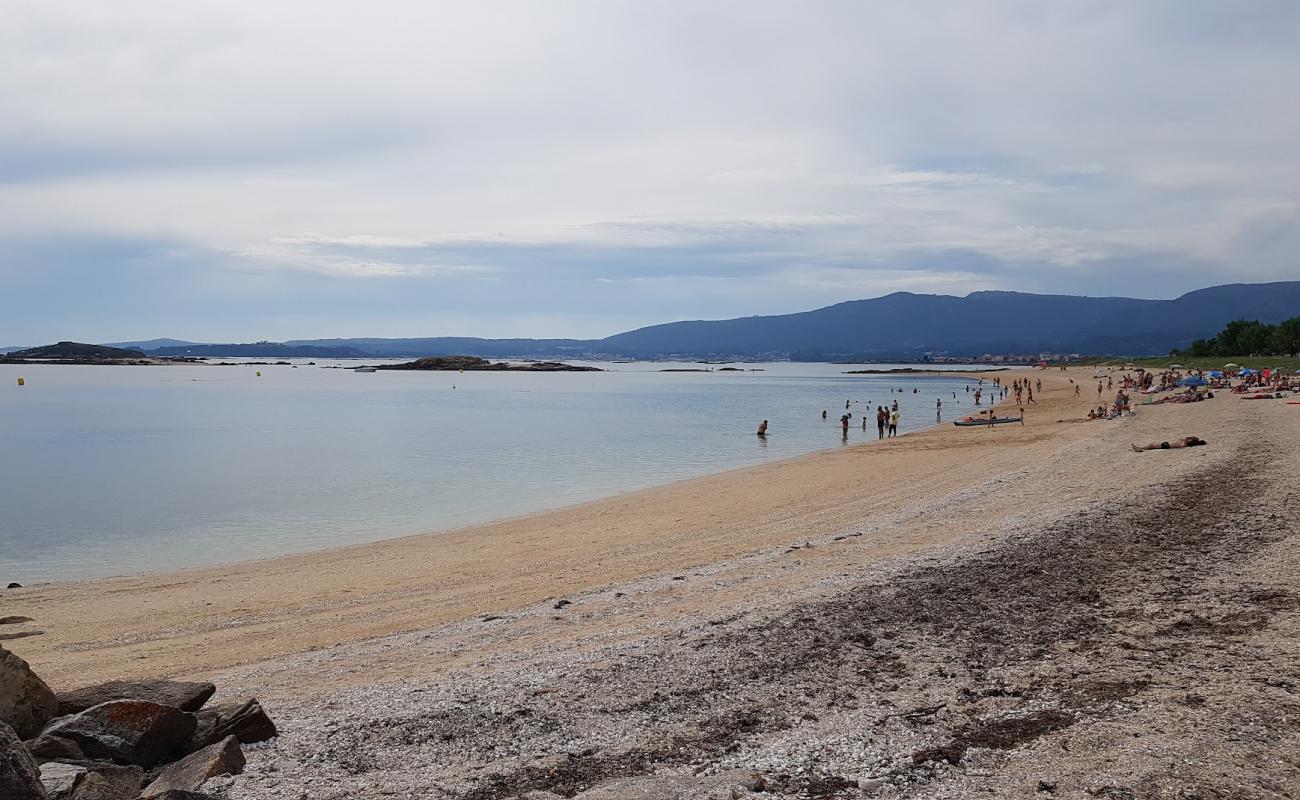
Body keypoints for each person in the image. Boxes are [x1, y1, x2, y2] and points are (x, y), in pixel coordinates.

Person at [1131, 436, 1207, 452]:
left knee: (1151, 445)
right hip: (1167, 444)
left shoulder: (1184, 443)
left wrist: (1188, 439)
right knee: (1152, 445)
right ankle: (1140, 448)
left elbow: (1183, 442)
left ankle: (1140, 448)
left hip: (1167, 445)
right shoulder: (1184, 442)